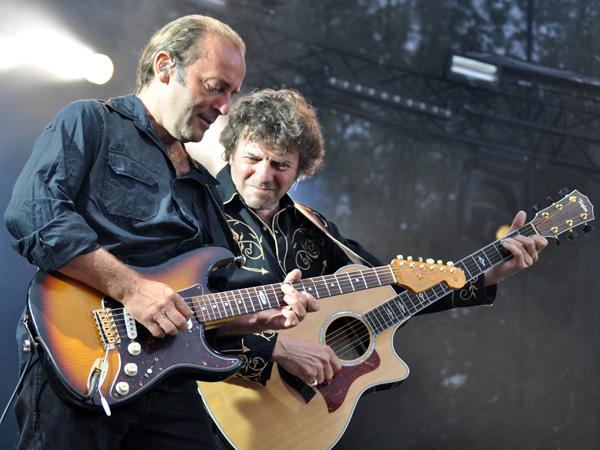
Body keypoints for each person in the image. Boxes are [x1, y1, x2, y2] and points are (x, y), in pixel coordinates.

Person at [4, 16, 318, 449]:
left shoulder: (204, 186)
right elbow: (32, 216)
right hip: (84, 359)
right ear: (166, 66)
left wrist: (263, 316)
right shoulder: (92, 122)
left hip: (169, 381)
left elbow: (202, 309)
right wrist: (132, 289)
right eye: (215, 86)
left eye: (232, 93)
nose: (226, 106)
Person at [211, 88, 548, 389]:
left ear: (302, 170)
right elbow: (181, 316)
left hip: (289, 414)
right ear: (230, 152)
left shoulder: (314, 227)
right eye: (253, 159)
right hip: (206, 399)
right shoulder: (198, 208)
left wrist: (490, 272)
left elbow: (397, 289)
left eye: (281, 164)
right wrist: (276, 348)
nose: (264, 175)